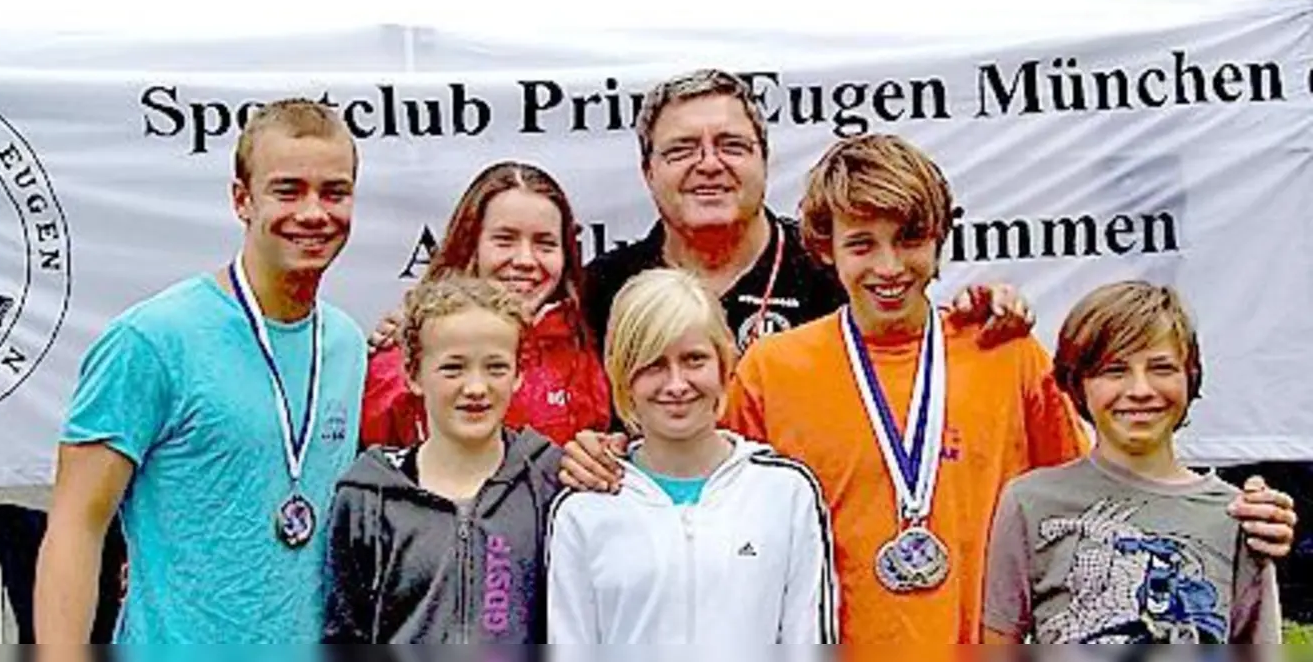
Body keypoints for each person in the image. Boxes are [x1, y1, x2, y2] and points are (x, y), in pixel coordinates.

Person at [561, 134, 1298, 642]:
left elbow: (1105, 494)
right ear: (825, 250)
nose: (888, 266)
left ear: (942, 238)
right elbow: (697, 493)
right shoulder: (772, 369)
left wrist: (1232, 515)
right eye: (861, 244)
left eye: (909, 239)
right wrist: (605, 455)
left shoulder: (1003, 354)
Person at [35, 99, 368, 644]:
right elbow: (75, 528)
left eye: (334, 191)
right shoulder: (152, 340)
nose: (314, 212)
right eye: (288, 190)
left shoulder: (346, 346)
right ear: (242, 199)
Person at [582, 68, 1035, 356]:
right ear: (648, 171)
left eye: (731, 145)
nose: (709, 164)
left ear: (765, 159)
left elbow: (913, 343)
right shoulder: (602, 288)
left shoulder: (832, 262)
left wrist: (985, 315)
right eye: (682, 149)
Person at [546, 268, 836, 644]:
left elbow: (808, 640)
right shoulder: (584, 508)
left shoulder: (786, 492)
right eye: (653, 365)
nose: (677, 384)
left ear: (723, 365)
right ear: (622, 376)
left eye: (694, 359)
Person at [983, 281, 1281, 644]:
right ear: (1078, 384)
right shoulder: (1028, 502)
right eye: (1115, 370)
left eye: (1161, 368)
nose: (1140, 390)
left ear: (1190, 377)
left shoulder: (1240, 517)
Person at [324, 277, 564, 643]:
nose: (475, 388)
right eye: (453, 368)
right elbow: (344, 634)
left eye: (496, 367)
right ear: (414, 374)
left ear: (519, 374)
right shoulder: (366, 496)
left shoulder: (550, 482)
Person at [361, 162, 609, 448]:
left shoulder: (584, 349)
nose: (526, 260)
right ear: (470, 245)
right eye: (505, 240)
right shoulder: (403, 361)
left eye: (545, 244)